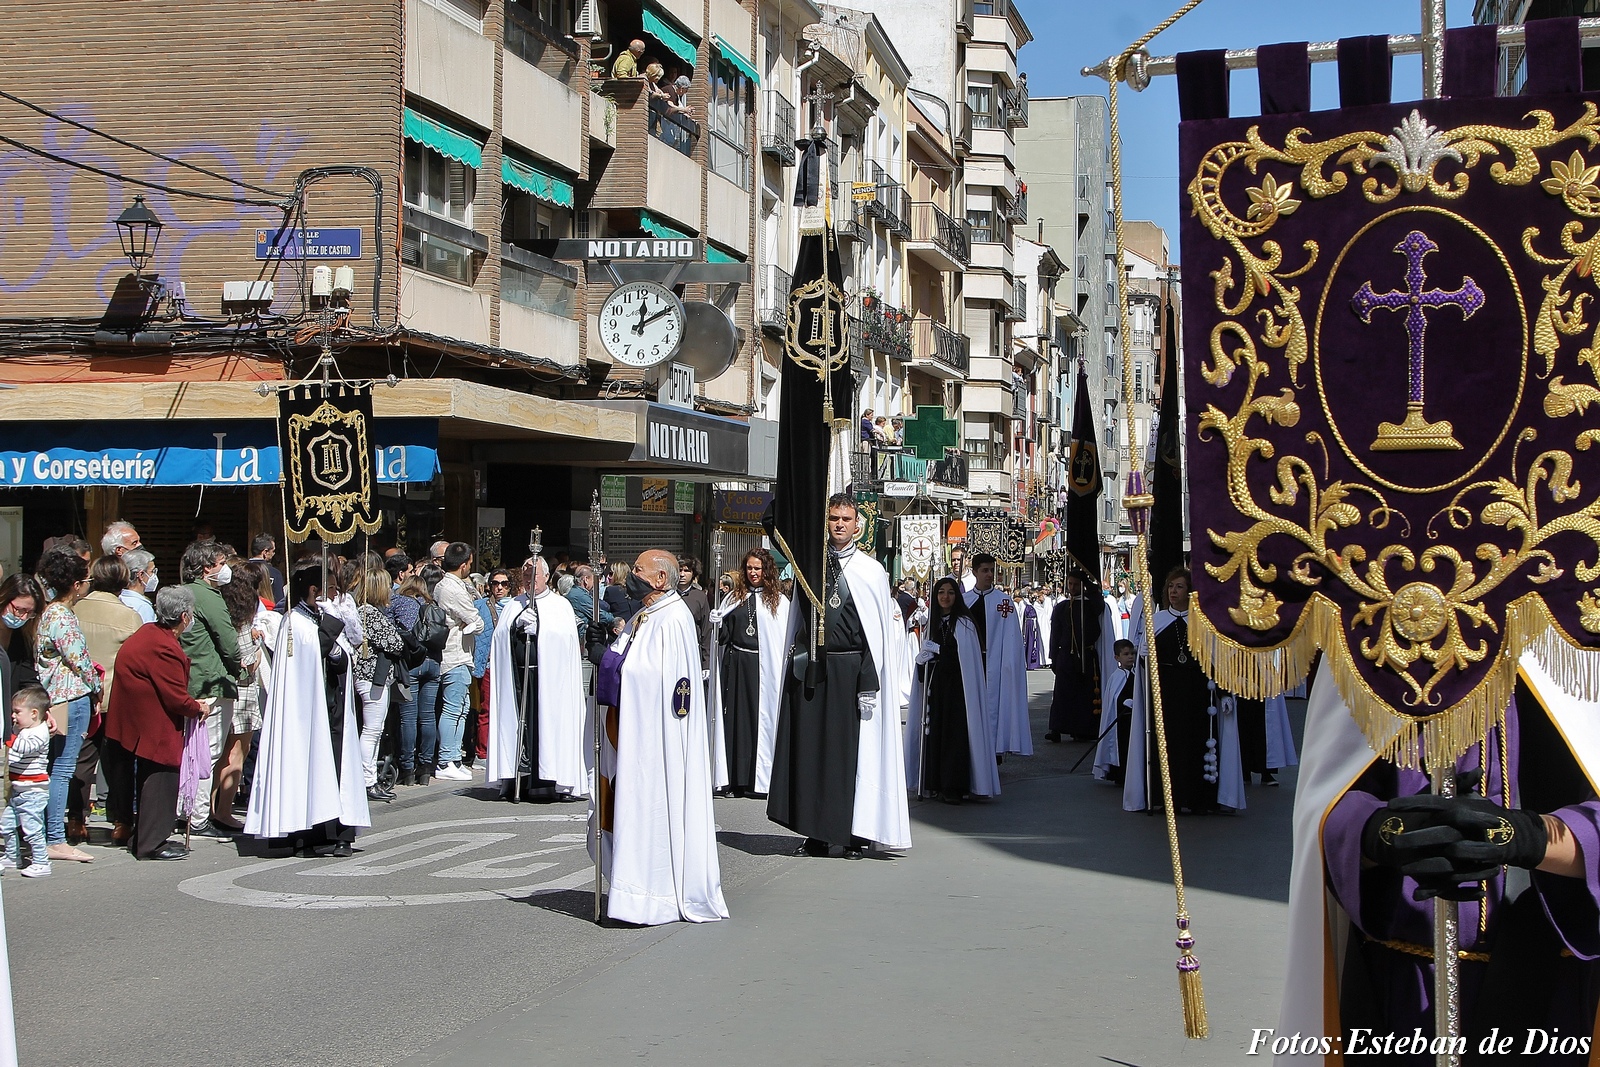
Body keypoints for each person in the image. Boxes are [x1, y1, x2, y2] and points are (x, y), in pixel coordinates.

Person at [1277, 656, 1599, 1052]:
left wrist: (1533, 839)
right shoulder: (1370, 639)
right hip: (1403, 983)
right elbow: (1325, 802)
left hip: (1552, 983)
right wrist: (1381, 834)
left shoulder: (1574, 639)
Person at [769, 494, 911, 858]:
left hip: (851, 671)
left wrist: (869, 681)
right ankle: (816, 832)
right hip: (814, 667)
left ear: (857, 525)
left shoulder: (871, 571)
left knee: (849, 756)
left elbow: (875, 637)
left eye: (846, 519)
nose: (839, 525)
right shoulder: (809, 566)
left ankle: (852, 834)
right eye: (833, 518)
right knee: (815, 752)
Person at [591, 549, 727, 924]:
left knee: (649, 809)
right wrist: (608, 645)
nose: (631, 575)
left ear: (660, 579)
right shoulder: (647, 614)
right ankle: (630, 892)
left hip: (656, 739)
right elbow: (631, 656)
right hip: (638, 731)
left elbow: (651, 680)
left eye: (638, 570)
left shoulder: (673, 619)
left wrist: (605, 657)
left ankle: (650, 896)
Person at [245, 562, 369, 855]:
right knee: (308, 765)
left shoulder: (320, 616)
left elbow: (338, 657)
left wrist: (339, 647)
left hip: (331, 705)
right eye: (328, 588)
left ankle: (340, 833)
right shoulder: (294, 623)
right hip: (306, 709)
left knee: (338, 766)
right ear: (313, 589)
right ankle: (306, 834)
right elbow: (309, 655)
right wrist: (329, 635)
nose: (333, 593)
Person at [1120, 567, 1243, 815]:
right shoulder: (1159, 621)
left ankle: (1197, 798)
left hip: (1196, 694)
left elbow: (1215, 662)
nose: (1173, 591)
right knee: (1167, 745)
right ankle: (1166, 798)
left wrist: (1223, 693)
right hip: (1165, 693)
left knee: (1195, 743)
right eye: (1170, 586)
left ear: (1190, 591)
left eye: (1179, 587)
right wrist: (1143, 658)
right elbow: (1145, 665)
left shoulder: (1203, 624)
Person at [101, 586, 211, 861]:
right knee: (161, 780)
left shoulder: (148, 633)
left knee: (148, 778)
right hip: (153, 723)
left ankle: (143, 837)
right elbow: (176, 697)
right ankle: (151, 843)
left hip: (136, 717)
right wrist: (198, 707)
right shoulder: (164, 647)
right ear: (185, 617)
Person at [487, 556, 588, 802]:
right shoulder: (513, 605)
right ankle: (514, 779)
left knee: (549, 726)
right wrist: (514, 627)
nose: (530, 581)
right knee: (518, 726)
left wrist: (540, 629)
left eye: (535, 576)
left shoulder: (560, 605)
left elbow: (565, 640)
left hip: (550, 682)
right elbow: (499, 639)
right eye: (525, 577)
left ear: (546, 577)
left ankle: (556, 780)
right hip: (519, 678)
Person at [904, 576, 997, 804]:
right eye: (941, 593)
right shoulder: (932, 625)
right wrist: (922, 662)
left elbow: (968, 662)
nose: (945, 597)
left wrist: (943, 658)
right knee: (934, 734)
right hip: (936, 690)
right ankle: (934, 782)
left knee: (955, 736)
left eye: (951, 592)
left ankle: (953, 785)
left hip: (958, 692)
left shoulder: (965, 625)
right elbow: (926, 657)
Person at [70, 556, 142, 844]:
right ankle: (121, 822)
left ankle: (76, 820)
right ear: (123, 582)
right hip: (116, 697)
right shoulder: (129, 616)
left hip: (80, 694)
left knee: (80, 761)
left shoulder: (76, 609)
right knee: (119, 764)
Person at [33, 548, 98, 864]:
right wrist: (96, 688)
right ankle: (55, 839)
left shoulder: (48, 613)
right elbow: (79, 660)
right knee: (61, 768)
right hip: (71, 696)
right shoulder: (62, 615)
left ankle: (46, 834)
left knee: (54, 766)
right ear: (75, 584)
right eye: (86, 579)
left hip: (55, 697)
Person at [709, 548, 789, 798]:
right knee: (736, 720)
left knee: (760, 720)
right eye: (750, 568)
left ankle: (761, 779)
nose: (753, 573)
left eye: (758, 568)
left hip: (764, 668)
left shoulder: (779, 601)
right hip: (737, 665)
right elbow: (723, 638)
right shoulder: (734, 598)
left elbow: (782, 639)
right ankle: (736, 779)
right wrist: (717, 623)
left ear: (767, 570)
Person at [177, 541, 242, 841]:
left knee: (190, 749)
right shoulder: (208, 596)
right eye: (220, 563)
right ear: (207, 568)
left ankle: (186, 810)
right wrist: (239, 666)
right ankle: (199, 816)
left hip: (190, 679)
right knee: (210, 750)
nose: (225, 568)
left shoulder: (183, 592)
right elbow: (228, 642)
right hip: (211, 680)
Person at [213, 562, 275, 829]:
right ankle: (223, 811)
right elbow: (246, 659)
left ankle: (211, 807)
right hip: (244, 686)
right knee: (237, 751)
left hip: (224, 687)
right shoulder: (242, 621)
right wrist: (257, 645)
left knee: (219, 751)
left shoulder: (221, 607)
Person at [964, 553, 1031, 757]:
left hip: (996, 662)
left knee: (994, 705)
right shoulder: (965, 601)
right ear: (974, 572)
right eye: (985, 570)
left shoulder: (1004, 602)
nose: (989, 575)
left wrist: (1008, 664)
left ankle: (994, 750)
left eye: (992, 570)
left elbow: (1011, 640)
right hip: (972, 662)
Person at [351, 566, 405, 803]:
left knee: (374, 729)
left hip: (370, 676)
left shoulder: (365, 611)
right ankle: (367, 779)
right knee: (372, 730)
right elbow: (395, 642)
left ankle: (369, 777)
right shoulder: (369, 613)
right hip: (371, 676)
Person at [433, 542, 484, 782]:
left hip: (462, 654)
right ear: (463, 565)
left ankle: (453, 756)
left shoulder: (456, 586)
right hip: (453, 655)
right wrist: (471, 621)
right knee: (453, 708)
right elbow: (477, 620)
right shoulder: (451, 588)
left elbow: (473, 620)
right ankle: (445, 760)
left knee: (462, 708)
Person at [391, 572, 441, 786]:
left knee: (408, 718)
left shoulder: (398, 602)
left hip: (410, 663)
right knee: (428, 716)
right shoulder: (433, 605)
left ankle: (407, 768)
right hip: (433, 662)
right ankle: (426, 767)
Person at [1045, 572, 1102, 743]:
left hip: (1086, 655)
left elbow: (1098, 601)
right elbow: (1055, 634)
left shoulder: (1091, 605)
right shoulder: (1062, 607)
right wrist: (1054, 657)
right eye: (1070, 584)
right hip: (1066, 656)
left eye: (1076, 584)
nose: (1072, 588)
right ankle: (1056, 728)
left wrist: (1088, 584)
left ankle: (1082, 730)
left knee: (1085, 694)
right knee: (1062, 693)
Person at [4, 686, 54, 876]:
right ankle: (12, 856)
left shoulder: (39, 733)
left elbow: (23, 747)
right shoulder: (23, 729)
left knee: (32, 829)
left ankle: (42, 863)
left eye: (17, 712)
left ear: (34, 713)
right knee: (6, 825)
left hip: (33, 791)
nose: (14, 717)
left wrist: (7, 735)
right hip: (19, 789)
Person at [1091, 639, 1137, 785]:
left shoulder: (1137, 674)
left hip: (1133, 719)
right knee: (1121, 747)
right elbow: (1114, 697)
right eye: (1126, 654)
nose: (1130, 657)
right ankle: (1120, 775)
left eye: (1132, 653)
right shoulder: (1116, 676)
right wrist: (1126, 701)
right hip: (1120, 720)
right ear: (1117, 657)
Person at [677, 556, 712, 673]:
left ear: (693, 573)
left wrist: (706, 662)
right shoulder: (666, 595)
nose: (682, 574)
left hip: (692, 651)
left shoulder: (700, 597)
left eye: (686, 571)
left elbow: (706, 630)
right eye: (679, 570)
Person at [119, 549, 158, 624]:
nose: (154, 575)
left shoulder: (119, 598)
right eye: (152, 571)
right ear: (141, 575)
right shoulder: (143, 607)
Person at [248, 533, 286, 610]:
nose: (274, 554)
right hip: (268, 613)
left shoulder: (239, 569)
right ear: (265, 552)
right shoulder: (274, 573)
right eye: (273, 551)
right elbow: (279, 602)